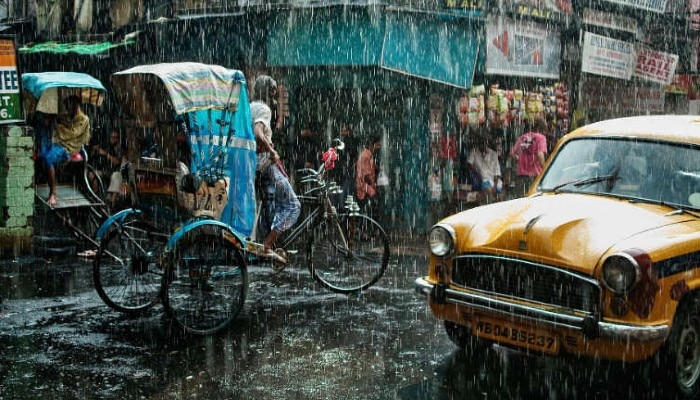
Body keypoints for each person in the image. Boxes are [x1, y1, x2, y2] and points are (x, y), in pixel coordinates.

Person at [251, 75, 301, 259]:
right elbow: (258, 132)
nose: (274, 95)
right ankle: (267, 244)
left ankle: (265, 240)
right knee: (293, 205)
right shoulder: (263, 109)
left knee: (269, 204)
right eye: (273, 91)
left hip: (253, 165)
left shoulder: (249, 107)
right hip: (266, 165)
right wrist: (271, 151)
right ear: (268, 91)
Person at [40, 95, 91, 207]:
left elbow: (72, 133)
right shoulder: (69, 117)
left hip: (69, 147)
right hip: (60, 143)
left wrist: (57, 126)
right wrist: (51, 119)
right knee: (42, 153)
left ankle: (53, 193)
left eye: (69, 106)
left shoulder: (84, 119)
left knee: (48, 158)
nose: (67, 109)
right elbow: (61, 121)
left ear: (75, 106)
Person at [509, 119, 547, 197]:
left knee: (522, 201)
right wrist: (545, 170)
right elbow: (540, 155)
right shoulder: (541, 138)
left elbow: (511, 153)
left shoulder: (523, 137)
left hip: (521, 176)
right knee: (535, 202)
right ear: (543, 129)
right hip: (535, 176)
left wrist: (519, 159)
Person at [467, 128, 502, 204]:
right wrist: (475, 172)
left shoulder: (493, 154)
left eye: (484, 142)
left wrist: (494, 187)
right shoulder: (474, 152)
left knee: (499, 195)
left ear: (487, 143)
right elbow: (469, 164)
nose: (482, 144)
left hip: (494, 181)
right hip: (482, 181)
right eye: (480, 142)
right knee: (488, 191)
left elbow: (497, 174)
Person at [91, 129, 125, 208]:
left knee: (117, 176)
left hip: (112, 171)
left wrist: (106, 154)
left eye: (116, 137)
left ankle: (111, 204)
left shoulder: (118, 148)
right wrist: (94, 150)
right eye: (112, 137)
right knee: (92, 174)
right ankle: (95, 198)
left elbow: (117, 162)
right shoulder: (104, 144)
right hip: (100, 169)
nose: (114, 139)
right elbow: (94, 156)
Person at [355, 133, 381, 215]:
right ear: (372, 144)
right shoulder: (366, 156)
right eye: (377, 144)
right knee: (366, 213)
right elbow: (366, 175)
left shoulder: (368, 155)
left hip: (366, 188)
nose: (379, 147)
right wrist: (374, 184)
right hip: (364, 189)